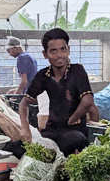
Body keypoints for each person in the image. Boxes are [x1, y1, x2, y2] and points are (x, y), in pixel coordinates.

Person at [18, 28, 99, 157]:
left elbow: (88, 100)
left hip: (74, 131)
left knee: (69, 142)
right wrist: (25, 128)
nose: (59, 55)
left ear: (68, 50)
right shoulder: (43, 75)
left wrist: (73, 118)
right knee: (17, 147)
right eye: (53, 51)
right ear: (45, 54)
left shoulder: (77, 71)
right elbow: (24, 103)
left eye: (63, 49)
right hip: (51, 131)